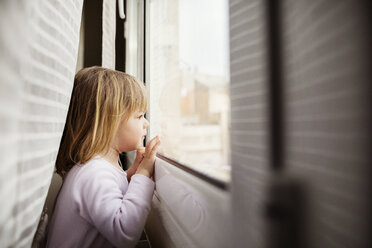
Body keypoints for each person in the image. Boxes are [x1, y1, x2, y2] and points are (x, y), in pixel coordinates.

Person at [46, 66, 160, 248]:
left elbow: (110, 200)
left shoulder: (95, 167)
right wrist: (144, 174)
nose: (146, 123)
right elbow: (124, 231)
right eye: (139, 116)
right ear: (109, 123)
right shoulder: (93, 173)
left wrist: (130, 178)